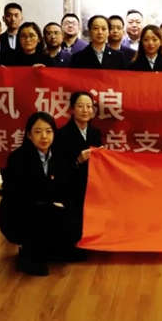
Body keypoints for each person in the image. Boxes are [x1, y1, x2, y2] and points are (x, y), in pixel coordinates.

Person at [0, 112, 80, 276]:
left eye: (49, 131)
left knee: (72, 215)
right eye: (38, 131)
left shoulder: (60, 156)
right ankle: (29, 254)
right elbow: (19, 195)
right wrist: (49, 203)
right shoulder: (17, 158)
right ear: (29, 135)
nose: (44, 136)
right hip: (22, 211)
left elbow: (66, 186)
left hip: (51, 207)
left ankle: (50, 249)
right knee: (40, 214)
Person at [55, 91, 102, 243]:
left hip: (92, 187)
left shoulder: (95, 133)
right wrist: (78, 160)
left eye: (89, 106)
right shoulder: (61, 134)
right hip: (71, 189)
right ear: (72, 109)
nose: (85, 110)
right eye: (80, 106)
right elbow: (58, 167)